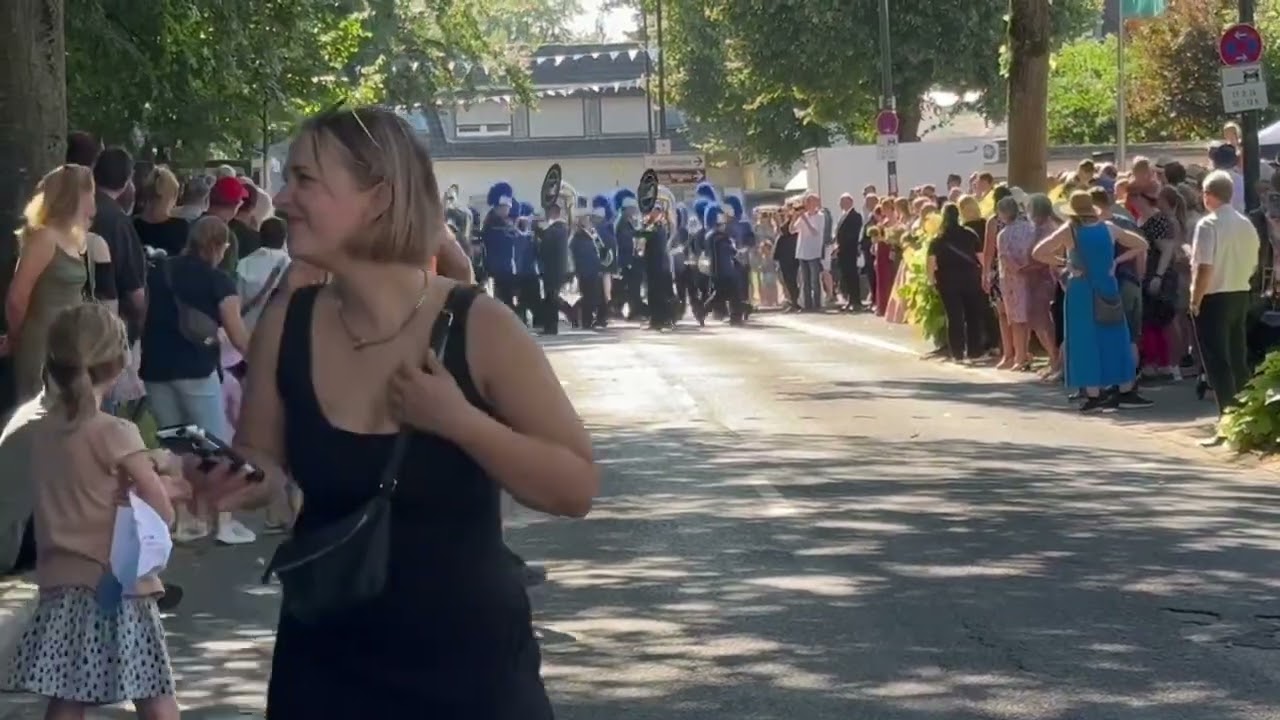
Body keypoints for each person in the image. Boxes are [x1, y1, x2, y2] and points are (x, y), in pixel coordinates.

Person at [196, 106, 598, 718]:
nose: (281, 197)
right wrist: (226, 479)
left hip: (471, 675)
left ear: (378, 197)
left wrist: (461, 422)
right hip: (324, 669)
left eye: (305, 180)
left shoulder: (479, 325)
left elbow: (575, 487)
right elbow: (263, 463)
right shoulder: (289, 321)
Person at [5, 303, 184, 720]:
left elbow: (84, 485)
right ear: (118, 364)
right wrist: (169, 484)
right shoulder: (118, 431)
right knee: (154, 692)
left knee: (68, 695)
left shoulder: (43, 429)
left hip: (61, 583)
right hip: (118, 581)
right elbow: (161, 511)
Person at [140, 216, 255, 546]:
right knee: (214, 446)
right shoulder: (218, 281)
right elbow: (236, 333)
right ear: (219, 246)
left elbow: (143, 313)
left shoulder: (160, 271)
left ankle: (184, 520)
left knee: (174, 446)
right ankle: (223, 520)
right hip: (195, 370)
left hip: (156, 369)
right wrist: (259, 362)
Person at [1032, 191, 1151, 412]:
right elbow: (1142, 244)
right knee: (1116, 336)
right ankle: (1124, 388)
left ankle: (1093, 395)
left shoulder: (1070, 231)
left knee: (1084, 340)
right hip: (1108, 287)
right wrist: (1116, 260)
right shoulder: (1109, 228)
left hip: (1081, 289)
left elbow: (1038, 252)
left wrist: (1065, 263)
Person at [3, 166, 96, 403]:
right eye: (90, 193)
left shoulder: (74, 237)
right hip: (41, 343)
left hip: (67, 343)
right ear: (75, 195)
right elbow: (17, 297)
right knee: (40, 410)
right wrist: (16, 337)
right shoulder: (44, 238)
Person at [1192, 170, 1260, 444]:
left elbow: (1204, 267)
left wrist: (1195, 299)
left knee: (1217, 362)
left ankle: (1226, 424)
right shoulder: (1246, 223)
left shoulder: (1208, 225)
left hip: (1214, 296)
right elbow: (1254, 261)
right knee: (1237, 357)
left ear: (1208, 195)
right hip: (1240, 292)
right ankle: (1245, 420)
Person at [928, 202, 987, 361]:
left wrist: (931, 282)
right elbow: (981, 258)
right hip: (970, 278)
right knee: (972, 315)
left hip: (947, 280)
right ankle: (974, 351)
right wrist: (984, 275)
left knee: (954, 317)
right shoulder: (970, 234)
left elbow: (931, 263)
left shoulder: (938, 239)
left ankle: (957, 353)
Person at [536, 204, 570, 335]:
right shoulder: (561, 229)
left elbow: (544, 249)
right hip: (558, 269)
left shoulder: (555, 229)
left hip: (552, 269)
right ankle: (551, 326)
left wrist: (539, 235)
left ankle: (550, 327)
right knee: (552, 298)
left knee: (551, 299)